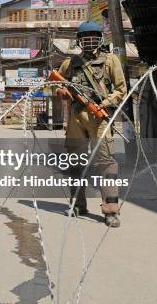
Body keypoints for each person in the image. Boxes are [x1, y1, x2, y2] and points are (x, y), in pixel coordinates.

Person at [54, 21, 127, 228]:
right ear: (79, 40)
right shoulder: (70, 63)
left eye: (94, 36)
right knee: (75, 162)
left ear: (100, 38)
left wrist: (104, 103)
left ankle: (111, 211)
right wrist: (60, 92)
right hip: (76, 117)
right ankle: (78, 204)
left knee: (106, 162)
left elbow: (121, 89)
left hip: (100, 118)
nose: (89, 40)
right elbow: (57, 85)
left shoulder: (110, 60)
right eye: (85, 37)